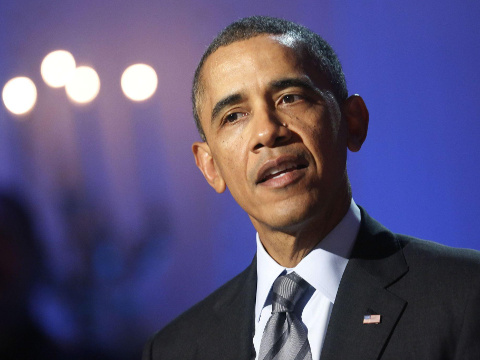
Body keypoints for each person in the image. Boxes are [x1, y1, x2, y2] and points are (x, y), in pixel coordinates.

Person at [143, 16, 480, 359]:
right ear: (209, 166)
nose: (267, 132)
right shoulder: (174, 349)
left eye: (290, 97)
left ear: (353, 122)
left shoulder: (466, 295)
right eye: (234, 116)